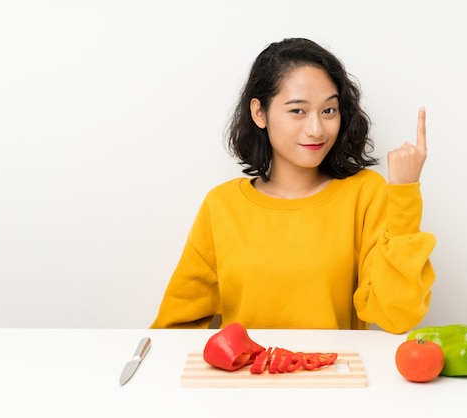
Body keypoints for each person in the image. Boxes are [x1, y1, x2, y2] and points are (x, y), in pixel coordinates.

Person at [150, 38, 436, 334]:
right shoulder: (222, 205)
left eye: (328, 111)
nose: (316, 129)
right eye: (298, 111)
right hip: (247, 378)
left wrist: (404, 192)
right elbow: (174, 327)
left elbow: (397, 316)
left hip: (334, 376)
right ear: (259, 113)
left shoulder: (365, 194)